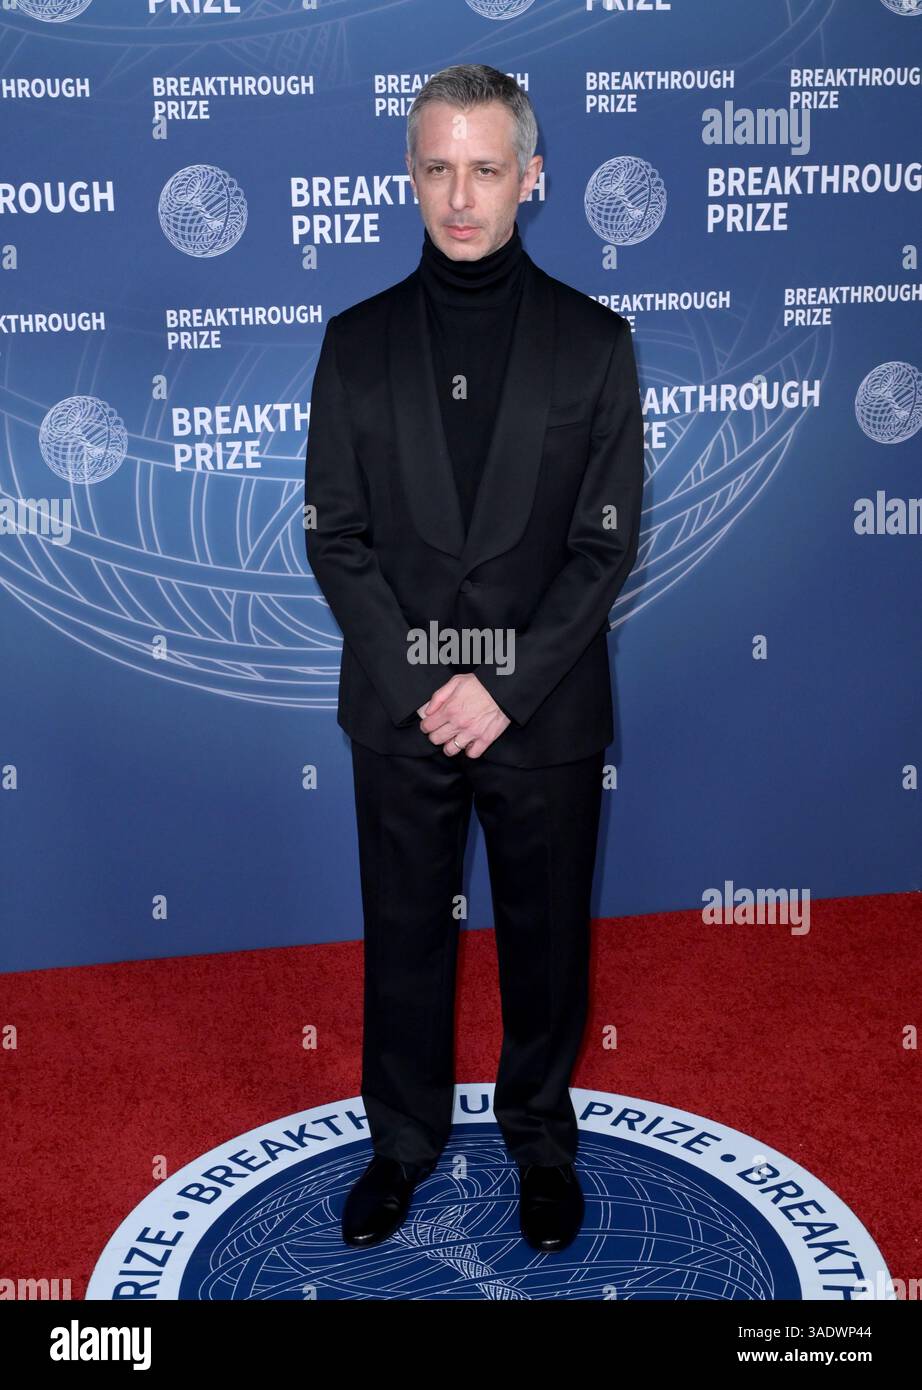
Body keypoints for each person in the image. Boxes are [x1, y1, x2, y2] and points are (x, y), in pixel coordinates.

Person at [305, 64, 644, 1252]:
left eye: (486, 169)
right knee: (403, 936)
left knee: (545, 944)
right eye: (438, 167)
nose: (462, 196)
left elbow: (603, 547)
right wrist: (424, 686)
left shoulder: (597, 345)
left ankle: (541, 1144)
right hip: (399, 712)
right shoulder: (352, 345)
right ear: (411, 177)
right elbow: (336, 539)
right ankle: (400, 1143)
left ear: (529, 179)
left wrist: (496, 686)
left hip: (541, 711)